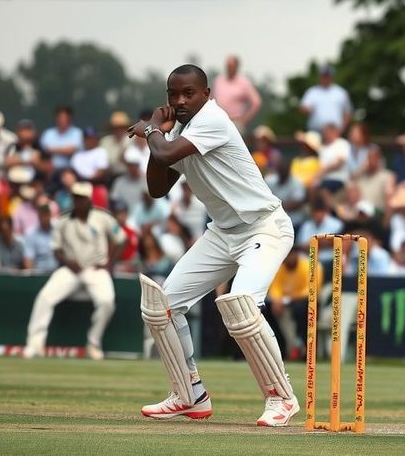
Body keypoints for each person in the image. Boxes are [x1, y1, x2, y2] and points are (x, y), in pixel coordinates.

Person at [126, 64, 299, 426]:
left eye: (188, 93)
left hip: (264, 227)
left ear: (207, 94)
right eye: (173, 95)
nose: (180, 100)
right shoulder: (180, 133)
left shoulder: (214, 120)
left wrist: (154, 130)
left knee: (243, 306)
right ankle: (189, 394)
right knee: (162, 307)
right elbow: (158, 187)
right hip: (223, 233)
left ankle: (281, 398)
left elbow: (167, 154)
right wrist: (158, 136)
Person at [22, 182, 124, 360]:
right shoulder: (63, 220)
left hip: (96, 268)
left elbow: (121, 239)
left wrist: (109, 265)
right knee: (45, 297)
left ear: (88, 200)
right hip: (70, 269)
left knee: (107, 301)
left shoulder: (103, 217)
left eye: (80, 198)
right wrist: (68, 262)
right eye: (75, 198)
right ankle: (34, 345)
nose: (77, 201)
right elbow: (56, 249)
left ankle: (93, 344)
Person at [267, 247, 310, 360]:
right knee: (269, 309)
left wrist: (287, 299)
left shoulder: (307, 266)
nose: (289, 258)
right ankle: (284, 349)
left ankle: (303, 347)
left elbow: (310, 290)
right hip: (285, 304)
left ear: (296, 254)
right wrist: (277, 301)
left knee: (300, 309)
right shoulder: (279, 268)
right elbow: (275, 289)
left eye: (291, 255)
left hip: (306, 302)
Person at [212, 55, 262, 132]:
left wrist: (245, 119)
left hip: (235, 122)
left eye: (231, 66)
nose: (229, 68)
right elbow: (211, 99)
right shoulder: (218, 80)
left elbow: (256, 102)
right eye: (228, 66)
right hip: (218, 121)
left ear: (237, 67)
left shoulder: (244, 82)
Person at [300, 65, 351, 133]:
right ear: (320, 76)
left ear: (331, 76)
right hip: (315, 132)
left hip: (335, 133)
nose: (325, 78)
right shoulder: (312, 92)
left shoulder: (341, 92)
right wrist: (306, 110)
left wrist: (342, 129)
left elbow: (347, 113)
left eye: (327, 75)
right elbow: (303, 108)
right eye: (323, 75)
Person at [40, 106, 84, 173]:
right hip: (50, 170)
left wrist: (53, 150)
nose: (62, 119)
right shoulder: (48, 133)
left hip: (71, 170)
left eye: (65, 117)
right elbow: (45, 150)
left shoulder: (77, 133)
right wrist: (64, 150)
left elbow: (71, 151)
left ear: (70, 118)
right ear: (56, 118)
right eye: (60, 117)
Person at [23, 197, 57, 273]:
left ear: (50, 213)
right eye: (42, 213)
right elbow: (28, 260)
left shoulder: (58, 229)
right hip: (39, 275)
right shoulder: (31, 233)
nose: (44, 216)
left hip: (58, 274)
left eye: (46, 213)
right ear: (38, 214)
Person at [101, 111, 136, 178]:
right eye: (116, 128)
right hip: (110, 175)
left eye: (122, 127)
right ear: (112, 129)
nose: (119, 130)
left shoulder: (132, 140)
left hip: (129, 175)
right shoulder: (105, 141)